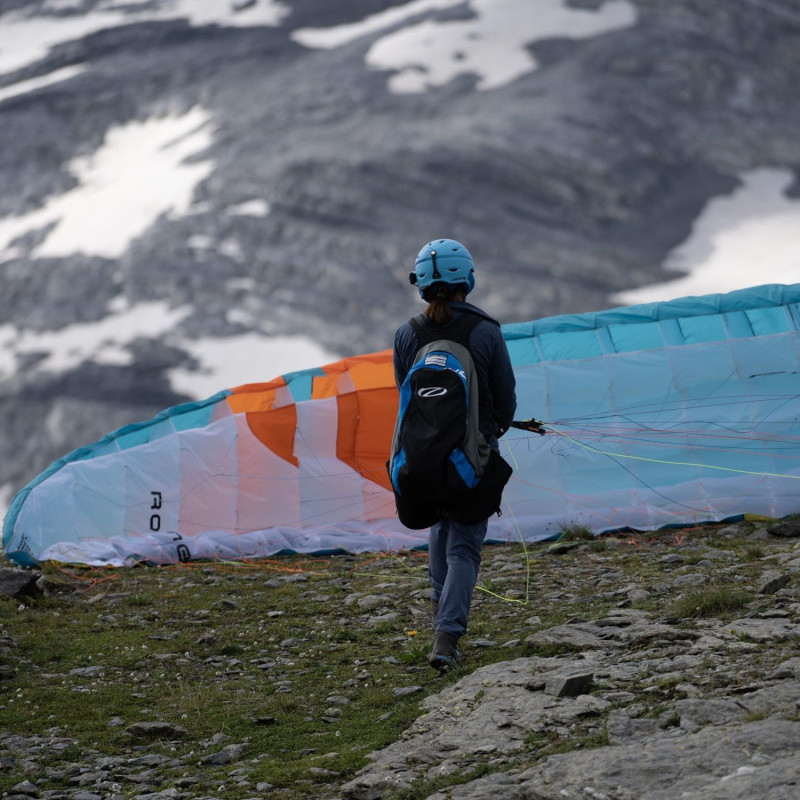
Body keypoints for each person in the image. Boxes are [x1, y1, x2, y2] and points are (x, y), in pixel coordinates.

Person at [393, 238, 516, 672]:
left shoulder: (407, 335)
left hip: (420, 457)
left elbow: (404, 395)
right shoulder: (485, 331)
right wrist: (488, 430)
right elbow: (506, 402)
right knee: (464, 547)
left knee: (440, 529)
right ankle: (446, 637)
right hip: (472, 456)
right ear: (468, 279)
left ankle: (439, 622)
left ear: (421, 284)